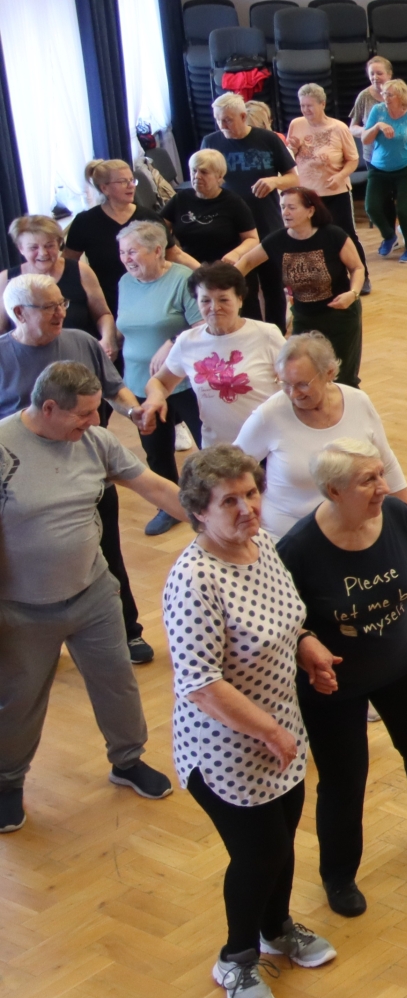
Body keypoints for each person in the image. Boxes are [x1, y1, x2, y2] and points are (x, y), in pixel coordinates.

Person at [161, 444, 340, 998]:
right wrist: (270, 731)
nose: (248, 509)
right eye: (230, 501)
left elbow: (288, 618)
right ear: (199, 512)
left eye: (252, 493)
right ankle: (235, 958)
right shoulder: (194, 580)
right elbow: (201, 684)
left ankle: (276, 928)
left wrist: (308, 647)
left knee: (282, 841)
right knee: (259, 855)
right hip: (226, 750)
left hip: (279, 731)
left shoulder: (261, 546)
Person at [280, 438, 407, 919]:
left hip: (404, 665)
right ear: (333, 491)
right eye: (368, 480)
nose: (383, 486)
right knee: (344, 779)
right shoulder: (297, 550)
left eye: (381, 474)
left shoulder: (396, 516)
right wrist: (306, 648)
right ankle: (338, 873)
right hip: (335, 686)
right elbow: (285, 623)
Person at [0, 360, 184, 835]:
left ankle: (128, 760)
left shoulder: (95, 442)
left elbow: (152, 485)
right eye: (83, 413)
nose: (93, 421)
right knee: (18, 701)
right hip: (21, 608)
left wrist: (211, 518)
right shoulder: (3, 448)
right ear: (48, 408)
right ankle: (7, 782)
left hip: (92, 592)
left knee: (116, 680)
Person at [1, 274, 154, 660]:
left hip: (88, 470)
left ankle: (127, 630)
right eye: (49, 307)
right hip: (25, 484)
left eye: (62, 303)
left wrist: (133, 411)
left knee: (108, 555)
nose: (60, 313)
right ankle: (37, 639)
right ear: (19, 313)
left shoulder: (82, 342)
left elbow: (113, 388)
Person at [232, 333, 407, 538]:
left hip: (355, 530)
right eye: (285, 384)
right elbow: (233, 467)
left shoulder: (358, 402)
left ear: (329, 373)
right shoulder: (269, 415)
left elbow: (387, 463)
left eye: (302, 384)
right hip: (288, 536)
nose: (293, 394)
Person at [113, 221, 203, 532]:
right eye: (122, 252)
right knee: (156, 450)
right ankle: (170, 506)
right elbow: (125, 324)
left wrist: (172, 342)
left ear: (157, 250)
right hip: (139, 380)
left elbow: (202, 325)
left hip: (184, 381)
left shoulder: (183, 279)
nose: (126, 258)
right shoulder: (125, 282)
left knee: (207, 444)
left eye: (132, 251)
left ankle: (212, 501)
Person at [225, 187, 365, 384]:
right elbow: (247, 262)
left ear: (310, 210)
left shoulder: (333, 235)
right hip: (304, 315)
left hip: (340, 315)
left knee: (342, 377)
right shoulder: (277, 240)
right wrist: (224, 285)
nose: (285, 212)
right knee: (302, 371)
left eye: (291, 207)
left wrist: (353, 293)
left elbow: (357, 268)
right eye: (283, 207)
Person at [142, 262, 284, 451]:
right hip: (219, 449)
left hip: (269, 444)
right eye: (205, 301)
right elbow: (160, 382)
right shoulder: (187, 341)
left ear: (240, 300)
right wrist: (155, 397)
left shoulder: (266, 334)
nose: (214, 307)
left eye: (223, 300)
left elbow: (296, 379)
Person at [202, 95, 294, 322]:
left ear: (243, 117)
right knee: (243, 287)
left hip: (267, 221)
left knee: (273, 284)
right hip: (232, 227)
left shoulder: (268, 139)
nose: (222, 125)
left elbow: (294, 178)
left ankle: (276, 332)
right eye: (218, 120)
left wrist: (274, 181)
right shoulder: (211, 142)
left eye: (228, 120)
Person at [65, 158, 187, 320]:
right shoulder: (85, 222)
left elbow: (174, 254)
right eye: (123, 181)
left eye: (132, 180)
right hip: (107, 302)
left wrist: (205, 274)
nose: (131, 186)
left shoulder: (148, 217)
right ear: (104, 188)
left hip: (152, 297)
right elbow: (68, 264)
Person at [8, 214, 115, 353]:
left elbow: (103, 314)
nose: (43, 253)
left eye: (49, 245)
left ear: (59, 244)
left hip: (81, 352)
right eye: (33, 248)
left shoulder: (81, 271)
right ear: (20, 248)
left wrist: (107, 339)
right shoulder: (6, 280)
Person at [277, 83, 362, 246]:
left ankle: (357, 263)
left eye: (309, 105)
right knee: (314, 237)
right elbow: (290, 156)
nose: (305, 110)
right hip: (307, 193)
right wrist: (293, 148)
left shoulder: (339, 128)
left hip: (335, 193)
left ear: (322, 104)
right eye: (302, 105)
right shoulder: (296, 124)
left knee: (345, 236)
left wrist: (340, 176)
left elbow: (353, 160)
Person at [359, 80, 407, 264]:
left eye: (390, 94)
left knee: (405, 210)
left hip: (406, 168)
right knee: (372, 207)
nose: (385, 97)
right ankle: (389, 236)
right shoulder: (378, 111)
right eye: (384, 94)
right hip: (379, 168)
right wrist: (378, 126)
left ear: (401, 96)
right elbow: (365, 140)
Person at [164, 150, 258, 267]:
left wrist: (236, 253)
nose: (197, 176)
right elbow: (159, 226)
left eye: (204, 172)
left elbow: (252, 239)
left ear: (219, 176)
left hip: (223, 267)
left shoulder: (233, 202)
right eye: (194, 171)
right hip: (188, 266)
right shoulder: (181, 198)